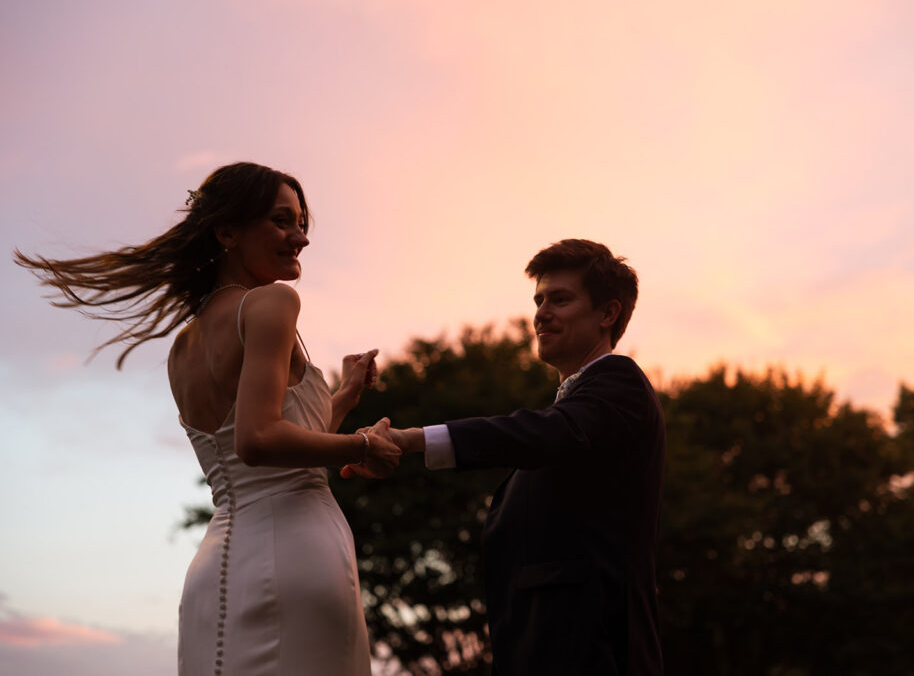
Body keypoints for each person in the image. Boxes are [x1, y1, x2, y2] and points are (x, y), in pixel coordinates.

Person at [15, 162, 401, 675]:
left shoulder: (182, 347)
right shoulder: (274, 302)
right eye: (283, 221)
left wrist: (346, 395)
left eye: (302, 223)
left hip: (217, 565)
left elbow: (267, 443)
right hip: (299, 550)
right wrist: (363, 447)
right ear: (227, 232)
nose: (300, 238)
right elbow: (259, 439)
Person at [351, 239, 666, 675]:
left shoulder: (619, 382)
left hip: (594, 651)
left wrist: (412, 440)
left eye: (560, 299)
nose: (541, 312)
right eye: (539, 300)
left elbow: (543, 434)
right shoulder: (573, 409)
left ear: (607, 314)